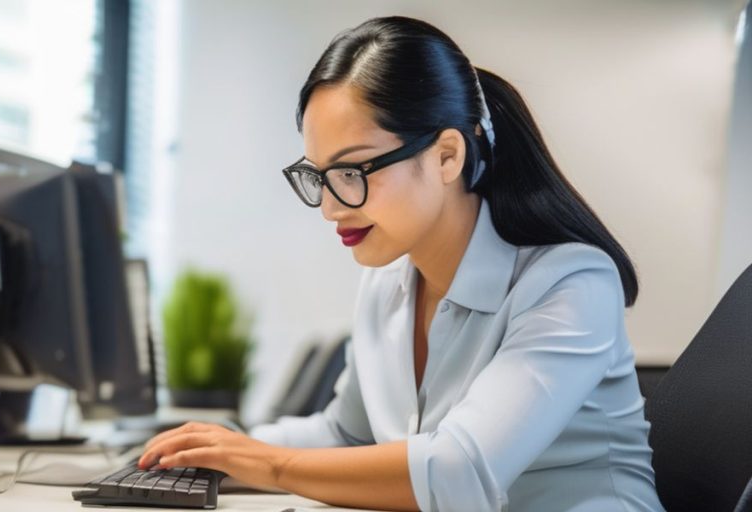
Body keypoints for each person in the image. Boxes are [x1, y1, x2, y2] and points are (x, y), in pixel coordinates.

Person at [138, 16, 664, 512]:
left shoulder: (571, 284)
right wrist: (206, 451)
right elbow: (346, 436)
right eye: (320, 176)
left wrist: (271, 465)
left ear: (446, 157)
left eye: (352, 171)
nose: (329, 206)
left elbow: (459, 468)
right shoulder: (388, 281)